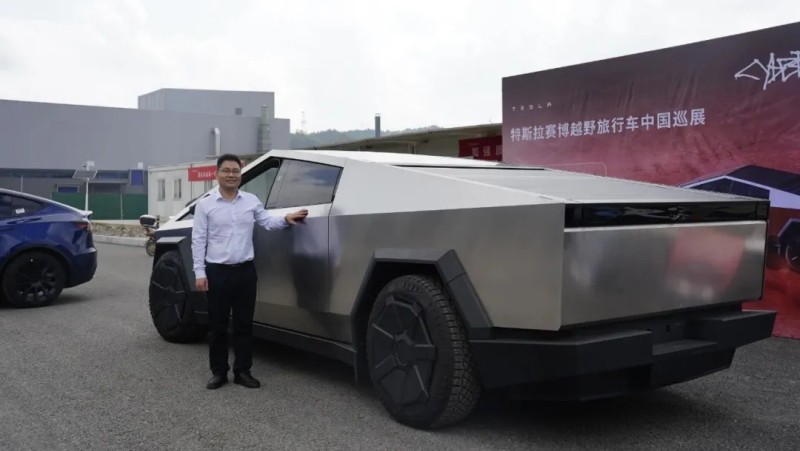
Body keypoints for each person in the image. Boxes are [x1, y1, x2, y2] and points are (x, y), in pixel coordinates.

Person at [191, 153, 308, 390]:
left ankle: (243, 371)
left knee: (244, 324)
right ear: (217, 174)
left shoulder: (251, 201)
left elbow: (266, 221)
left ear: (240, 174)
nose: (231, 175)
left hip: (245, 272)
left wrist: (286, 218)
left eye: (235, 171)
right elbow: (198, 239)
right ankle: (219, 372)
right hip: (217, 272)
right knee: (217, 326)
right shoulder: (205, 204)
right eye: (226, 170)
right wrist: (199, 273)